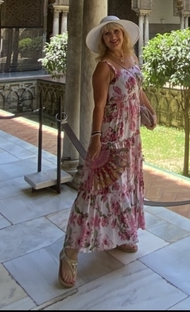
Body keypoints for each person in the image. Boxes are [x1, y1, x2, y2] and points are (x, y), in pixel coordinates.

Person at [58, 15, 157, 288]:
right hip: (111, 139)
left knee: (124, 188)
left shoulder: (132, 60)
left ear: (124, 34)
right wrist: (95, 138)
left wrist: (149, 110)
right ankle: (70, 251)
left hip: (131, 138)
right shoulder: (104, 66)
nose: (113, 37)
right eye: (107, 34)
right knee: (95, 191)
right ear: (103, 40)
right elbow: (98, 106)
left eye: (117, 32)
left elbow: (138, 89)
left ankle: (122, 234)